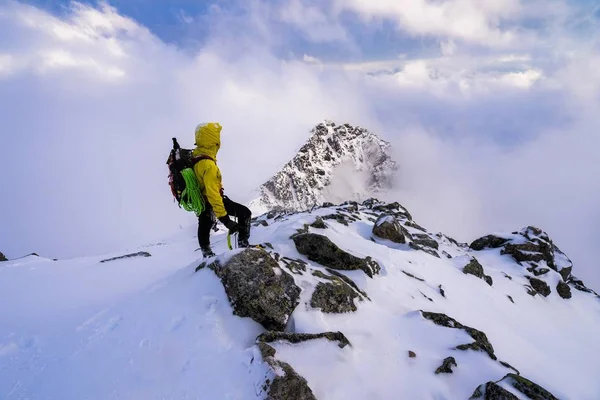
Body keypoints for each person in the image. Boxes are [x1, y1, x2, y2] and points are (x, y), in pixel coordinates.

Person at [192, 122, 252, 257]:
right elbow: (213, 194)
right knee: (245, 213)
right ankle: (243, 244)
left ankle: (206, 253)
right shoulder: (208, 165)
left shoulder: (196, 156)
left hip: (201, 201)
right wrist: (225, 219)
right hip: (211, 200)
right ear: (214, 140)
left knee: (205, 221)